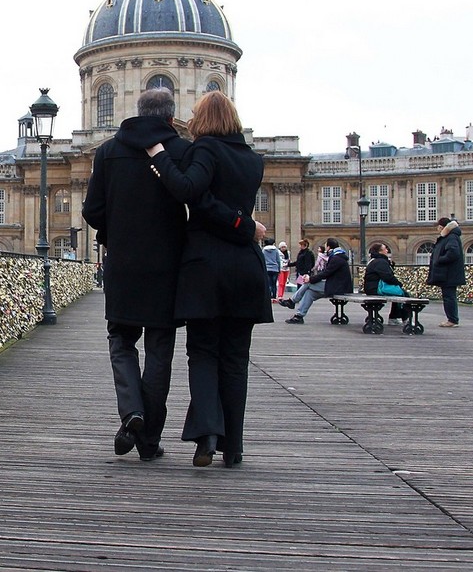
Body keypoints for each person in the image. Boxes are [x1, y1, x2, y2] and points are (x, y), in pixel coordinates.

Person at [146, 90, 271, 468]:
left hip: (207, 268)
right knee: (236, 360)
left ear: (202, 120)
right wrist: (246, 225)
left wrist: (159, 157)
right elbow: (234, 206)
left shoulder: (205, 151)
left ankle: (206, 438)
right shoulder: (253, 160)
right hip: (246, 269)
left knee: (202, 354)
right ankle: (234, 447)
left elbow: (192, 194)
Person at [82, 87, 188, 462]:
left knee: (121, 341)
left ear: (137, 111)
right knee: (160, 352)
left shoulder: (109, 152)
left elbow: (92, 211)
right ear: (171, 118)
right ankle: (149, 441)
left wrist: (116, 235)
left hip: (124, 265)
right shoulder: (181, 152)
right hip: (168, 269)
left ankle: (132, 412)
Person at [284, 238, 353, 324]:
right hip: (337, 285)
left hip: (338, 287)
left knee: (308, 283)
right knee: (310, 293)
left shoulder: (336, 259)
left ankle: (292, 301)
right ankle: (299, 316)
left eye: (326, 246)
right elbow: (327, 273)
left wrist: (310, 279)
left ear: (328, 247)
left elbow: (326, 273)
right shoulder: (338, 257)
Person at [427, 217, 465, 327]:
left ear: (442, 227)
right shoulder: (450, 237)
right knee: (449, 297)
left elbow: (453, 253)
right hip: (448, 273)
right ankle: (452, 319)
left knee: (449, 297)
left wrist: (439, 260)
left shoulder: (451, 237)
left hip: (449, 273)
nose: (437, 229)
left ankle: (452, 320)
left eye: (438, 227)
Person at [363, 242, 411, 325]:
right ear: (380, 251)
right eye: (385, 248)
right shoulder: (380, 261)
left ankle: (394, 317)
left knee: (397, 294)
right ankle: (405, 319)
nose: (387, 250)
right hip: (377, 288)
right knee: (403, 294)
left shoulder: (374, 260)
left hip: (371, 288)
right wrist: (398, 284)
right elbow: (387, 276)